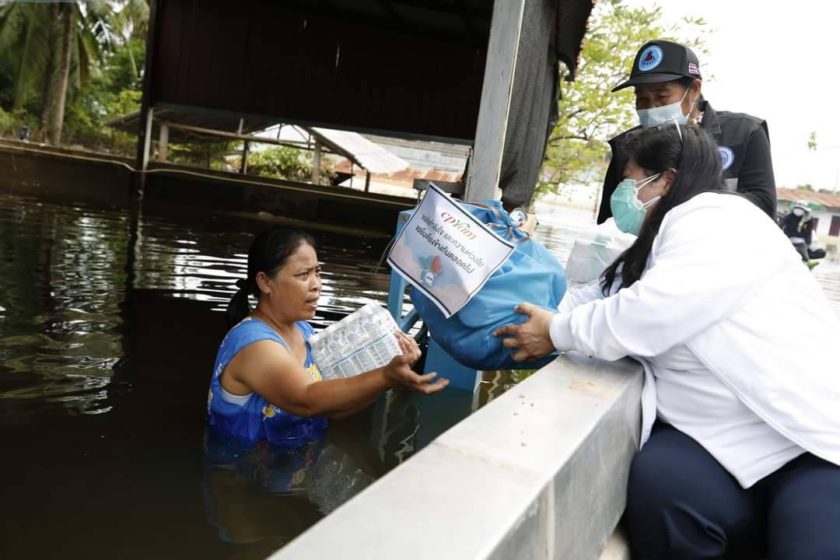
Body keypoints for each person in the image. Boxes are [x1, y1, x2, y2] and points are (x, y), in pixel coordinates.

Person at [495, 125, 840, 559]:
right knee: (659, 484)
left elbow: (654, 310)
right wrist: (511, 290)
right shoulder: (656, 245)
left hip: (801, 441)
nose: (622, 196)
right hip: (712, 438)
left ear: (666, 180)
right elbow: (586, 300)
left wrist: (556, 332)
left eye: (629, 182)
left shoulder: (721, 219)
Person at [207, 226, 448, 445]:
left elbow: (332, 408)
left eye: (317, 272)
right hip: (242, 469)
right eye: (303, 275)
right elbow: (307, 400)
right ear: (265, 282)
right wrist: (385, 375)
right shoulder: (254, 344)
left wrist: (389, 379)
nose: (316, 285)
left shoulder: (303, 331)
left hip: (293, 464)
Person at [598, 39, 776, 223]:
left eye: (662, 96)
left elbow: (764, 207)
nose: (651, 107)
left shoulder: (744, 134)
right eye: (642, 98)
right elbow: (610, 221)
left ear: (695, 89)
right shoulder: (627, 147)